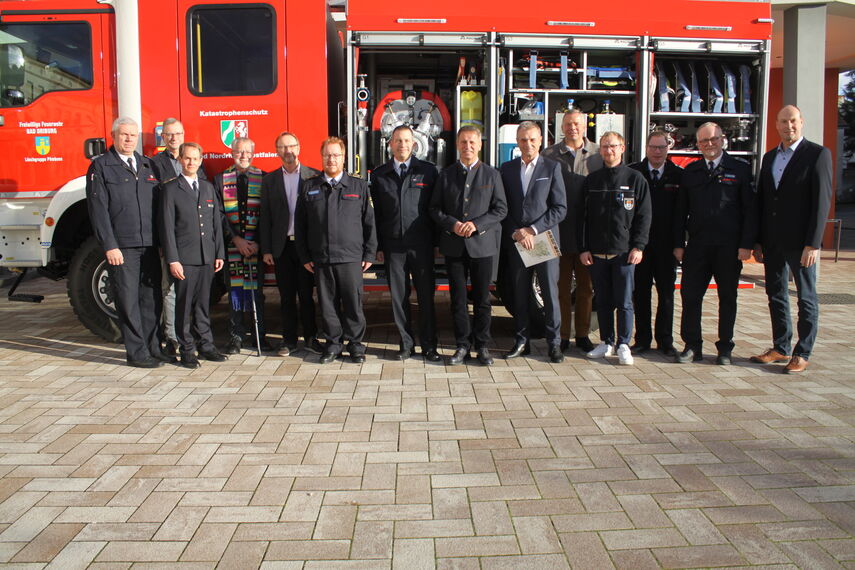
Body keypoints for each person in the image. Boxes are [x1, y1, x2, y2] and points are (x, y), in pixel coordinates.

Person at [751, 105, 833, 374]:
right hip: (773, 241)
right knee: (776, 294)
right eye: (784, 121)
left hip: (801, 243)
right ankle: (781, 347)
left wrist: (814, 243)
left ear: (802, 122)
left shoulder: (818, 155)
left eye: (794, 121)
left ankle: (802, 351)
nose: (789, 126)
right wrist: (759, 240)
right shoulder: (771, 156)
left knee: (806, 298)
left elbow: (822, 203)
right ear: (776, 124)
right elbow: (764, 201)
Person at [86, 117, 168, 368]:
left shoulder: (147, 165)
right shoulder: (101, 167)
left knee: (151, 299)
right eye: (124, 135)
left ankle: (154, 347)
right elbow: (98, 210)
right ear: (113, 136)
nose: (129, 139)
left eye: (133, 135)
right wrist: (110, 245)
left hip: (150, 244)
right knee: (128, 300)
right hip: (122, 247)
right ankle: (136, 352)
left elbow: (159, 207)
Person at [673, 122, 757, 365]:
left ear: (723, 139)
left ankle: (725, 348)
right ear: (697, 144)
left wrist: (746, 244)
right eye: (703, 141)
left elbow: (750, 211)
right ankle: (692, 346)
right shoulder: (691, 171)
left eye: (713, 139)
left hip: (728, 247)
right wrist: (679, 244)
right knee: (690, 297)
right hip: (698, 246)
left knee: (728, 298)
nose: (709, 144)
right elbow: (681, 211)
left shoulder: (740, 169)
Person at [430, 126, 507, 366]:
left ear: (480, 145)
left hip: (482, 246)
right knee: (458, 300)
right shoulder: (446, 174)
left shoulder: (492, 175)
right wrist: (452, 224)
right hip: (454, 247)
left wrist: (476, 224)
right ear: (457, 144)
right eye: (463, 142)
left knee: (483, 300)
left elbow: (500, 209)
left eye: (472, 142)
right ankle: (462, 345)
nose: (468, 146)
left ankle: (482, 346)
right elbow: (434, 209)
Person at [295, 137, 377, 364]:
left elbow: (369, 222)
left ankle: (356, 345)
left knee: (353, 302)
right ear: (321, 157)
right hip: (321, 257)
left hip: (351, 257)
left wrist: (370, 253)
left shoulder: (358, 186)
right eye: (327, 155)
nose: (331, 159)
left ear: (344, 158)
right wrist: (305, 256)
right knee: (328, 303)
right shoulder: (309, 186)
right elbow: (300, 226)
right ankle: (333, 344)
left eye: (336, 155)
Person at [578, 131, 651, 365]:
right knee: (604, 301)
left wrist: (638, 246)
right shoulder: (592, 180)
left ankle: (623, 344)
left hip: (624, 254)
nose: (609, 151)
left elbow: (644, 216)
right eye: (604, 146)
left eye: (613, 146)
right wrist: (584, 248)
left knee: (624, 302)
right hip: (597, 253)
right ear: (600, 150)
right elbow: (584, 218)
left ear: (622, 147)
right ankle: (606, 342)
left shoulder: (635, 179)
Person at [369, 125, 441, 362]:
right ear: (390, 144)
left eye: (406, 141)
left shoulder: (429, 172)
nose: (402, 145)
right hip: (393, 246)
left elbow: (435, 210)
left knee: (425, 297)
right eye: (398, 140)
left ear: (414, 144)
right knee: (398, 297)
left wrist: (437, 242)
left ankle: (429, 346)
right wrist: (377, 246)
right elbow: (376, 214)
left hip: (421, 245)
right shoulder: (379, 175)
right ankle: (406, 344)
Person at [498, 121, 567, 363]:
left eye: (532, 139)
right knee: (520, 293)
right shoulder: (506, 169)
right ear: (517, 142)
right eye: (523, 140)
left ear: (540, 141)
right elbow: (501, 208)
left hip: (542, 239)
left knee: (549, 293)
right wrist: (515, 232)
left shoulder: (552, 168)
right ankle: (521, 341)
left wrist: (532, 230)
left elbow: (560, 208)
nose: (527, 144)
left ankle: (554, 343)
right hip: (517, 240)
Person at [159, 142, 227, 369]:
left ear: (200, 160)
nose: (191, 163)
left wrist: (219, 252)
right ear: (180, 160)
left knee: (203, 305)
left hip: (207, 257)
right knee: (184, 306)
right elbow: (167, 227)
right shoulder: (171, 189)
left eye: (195, 159)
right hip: (185, 258)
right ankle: (187, 349)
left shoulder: (207, 188)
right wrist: (173, 259)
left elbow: (216, 222)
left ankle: (206, 345)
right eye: (187, 158)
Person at [542, 108, 602, 353]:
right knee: (561, 289)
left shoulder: (599, 154)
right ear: (562, 127)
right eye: (567, 124)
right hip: (559, 232)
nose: (572, 128)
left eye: (576, 124)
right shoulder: (549, 155)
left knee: (586, 289)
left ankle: (583, 335)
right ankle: (563, 335)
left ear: (584, 126)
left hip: (588, 235)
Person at [260, 132, 323, 357]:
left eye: (291, 146)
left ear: (299, 147)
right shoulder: (269, 180)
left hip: (305, 247)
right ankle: (288, 340)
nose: (288, 151)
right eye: (283, 147)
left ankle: (311, 338)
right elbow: (265, 216)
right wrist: (266, 248)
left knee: (307, 295)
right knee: (286, 296)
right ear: (277, 151)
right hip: (282, 247)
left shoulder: (314, 176)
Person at [149, 118, 208, 357]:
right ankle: (173, 338)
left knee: (191, 294)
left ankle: (193, 338)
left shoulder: (195, 162)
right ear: (162, 138)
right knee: (170, 290)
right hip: (170, 239)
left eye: (178, 133)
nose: (174, 138)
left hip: (191, 241)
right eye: (169, 134)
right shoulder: (154, 164)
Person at [629, 130, 682, 356]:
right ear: (646, 148)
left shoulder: (678, 175)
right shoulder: (633, 172)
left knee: (666, 294)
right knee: (640, 293)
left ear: (667, 149)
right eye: (653, 147)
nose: (657, 151)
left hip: (666, 246)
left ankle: (665, 340)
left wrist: (680, 244)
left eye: (661, 147)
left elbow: (682, 213)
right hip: (639, 246)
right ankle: (641, 339)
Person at [214, 137, 270, 355]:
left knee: (256, 293)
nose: (243, 156)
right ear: (232, 153)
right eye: (239, 152)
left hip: (256, 247)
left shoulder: (264, 179)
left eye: (248, 152)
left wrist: (258, 242)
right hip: (232, 246)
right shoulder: (220, 179)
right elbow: (218, 215)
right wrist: (235, 239)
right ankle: (236, 336)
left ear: (253, 153)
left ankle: (260, 335)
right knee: (235, 292)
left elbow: (267, 215)